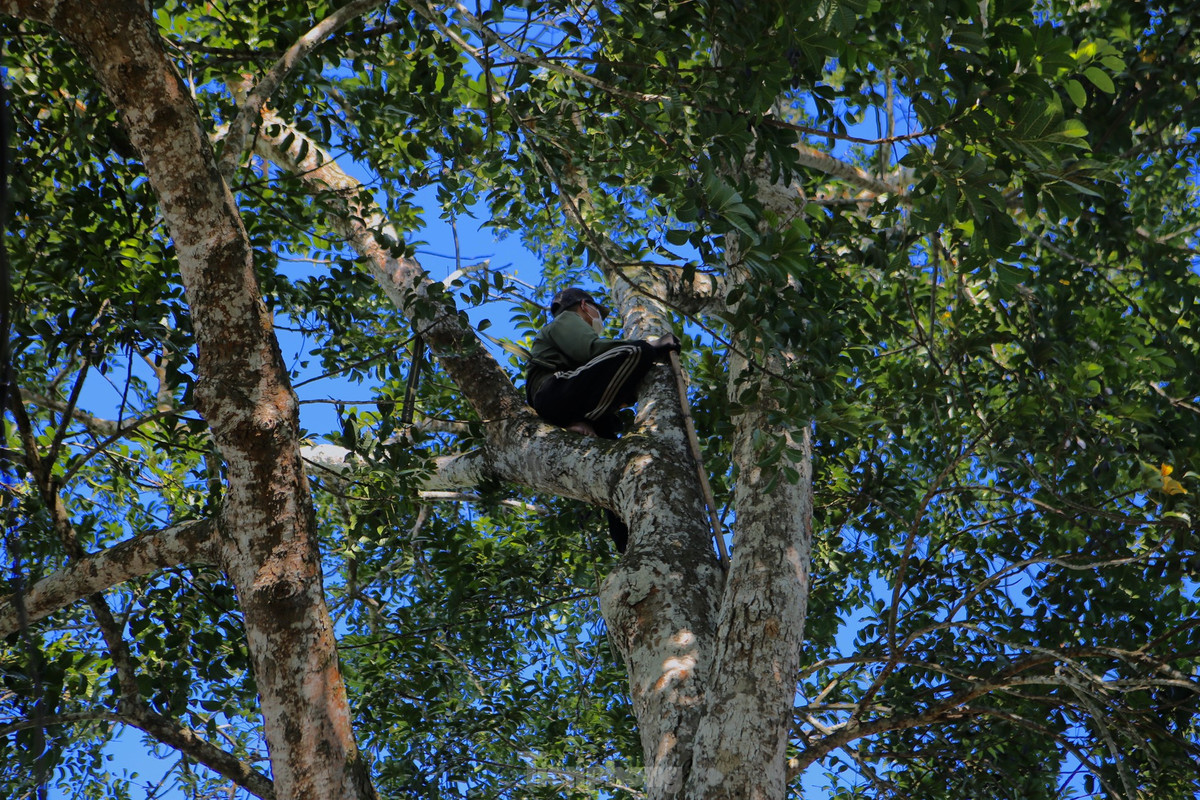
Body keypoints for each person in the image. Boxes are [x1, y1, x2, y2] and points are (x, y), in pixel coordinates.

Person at [525, 287, 680, 551]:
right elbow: (592, 350)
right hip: (554, 392)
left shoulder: (565, 325)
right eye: (599, 313)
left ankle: (626, 539)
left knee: (618, 462)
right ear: (585, 306)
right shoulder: (565, 320)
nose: (600, 320)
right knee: (635, 351)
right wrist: (653, 348)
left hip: (573, 407)